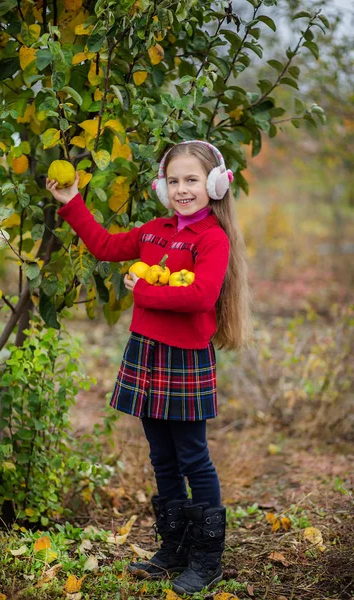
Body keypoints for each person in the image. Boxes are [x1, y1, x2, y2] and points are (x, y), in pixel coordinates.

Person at [46, 140, 252, 596]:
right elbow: (102, 246)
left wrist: (143, 292)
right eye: (174, 180)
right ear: (163, 186)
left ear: (215, 184)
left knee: (193, 457)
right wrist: (71, 202)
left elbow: (201, 295)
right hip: (147, 353)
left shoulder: (212, 238)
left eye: (192, 180)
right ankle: (174, 548)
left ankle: (207, 559)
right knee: (161, 455)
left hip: (184, 360)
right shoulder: (154, 231)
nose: (182, 189)